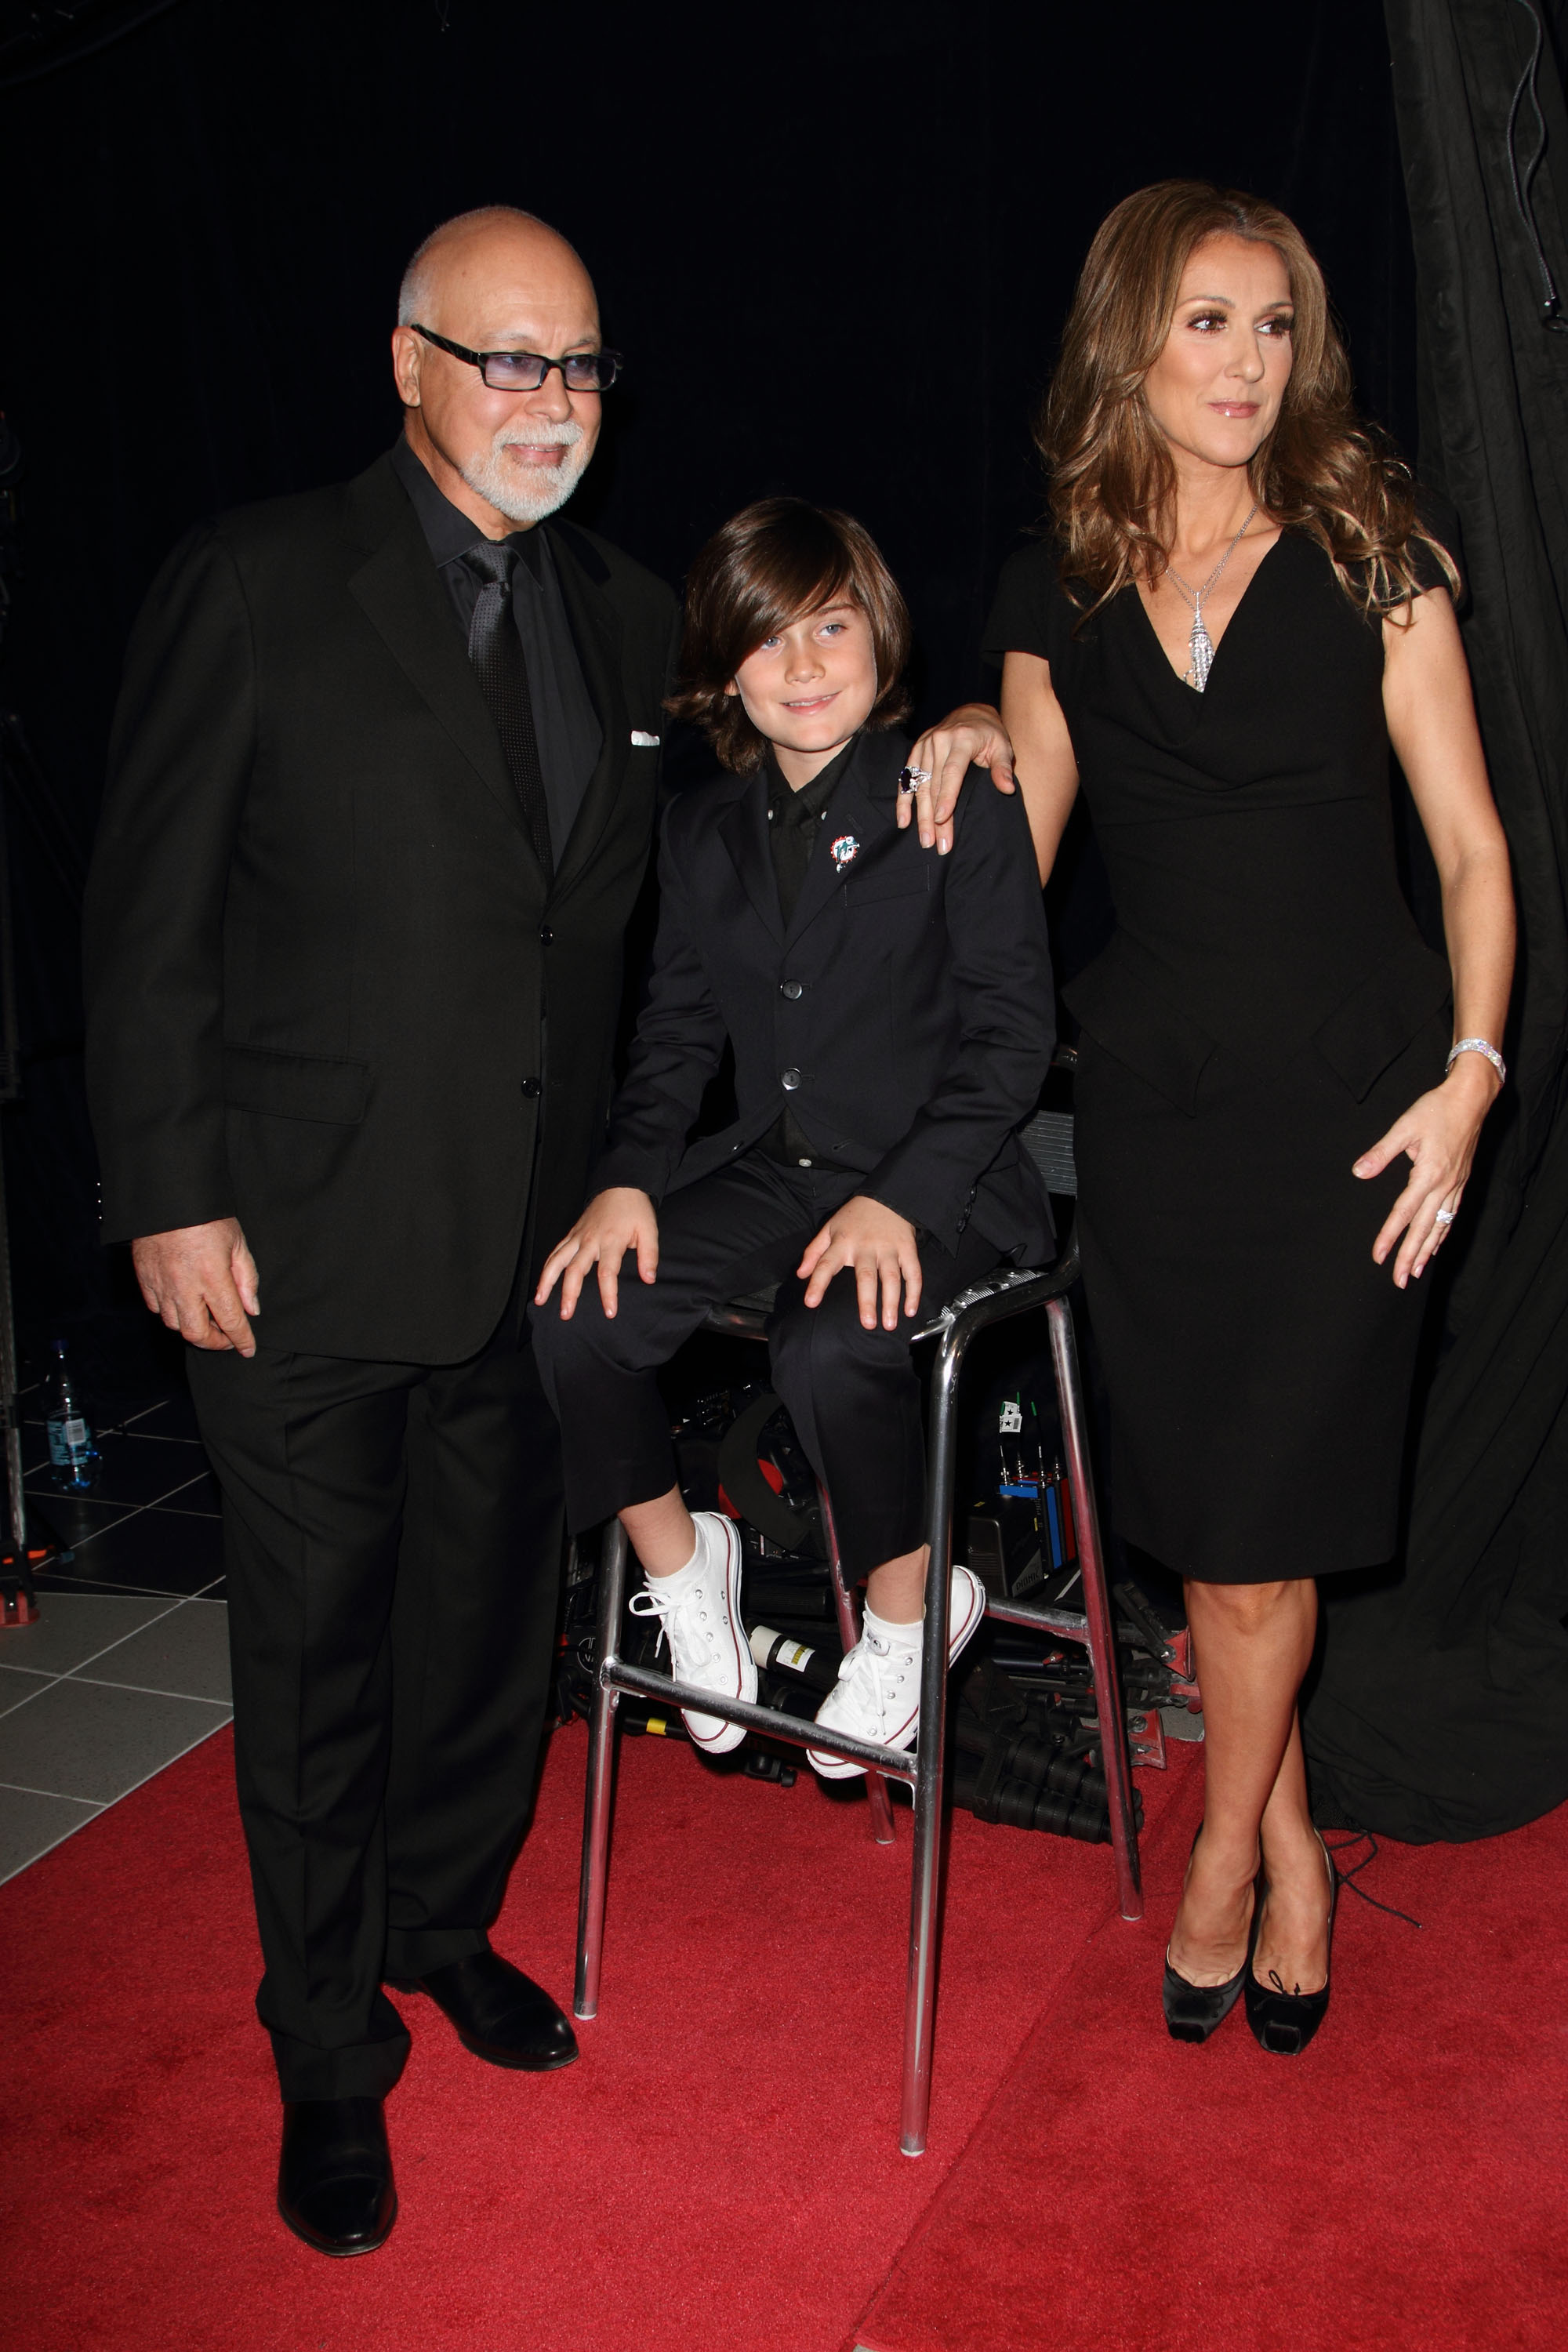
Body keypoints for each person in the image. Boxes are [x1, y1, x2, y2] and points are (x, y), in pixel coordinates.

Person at [82, 209, 1011, 2254]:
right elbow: (141, 922)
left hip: (540, 1249)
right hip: (298, 1240)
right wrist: (165, 1188)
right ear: (403, 364)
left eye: (580, 367)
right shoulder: (250, 582)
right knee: (321, 1656)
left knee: (492, 1631)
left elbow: (778, 775)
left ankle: (438, 1928)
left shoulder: (617, 607)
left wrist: (957, 730)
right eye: (506, 361)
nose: (549, 403)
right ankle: (329, 2051)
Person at [933, 181, 1512, 2054]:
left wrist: (1471, 1083)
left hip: (1358, 1119)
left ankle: (1223, 1865)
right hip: (1161, 1124)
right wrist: (934, 743)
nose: (1248, 362)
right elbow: (1007, 871)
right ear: (1128, 337)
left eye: (1275, 326)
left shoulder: (1372, 554)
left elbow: (1475, 853)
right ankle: (1295, 1851)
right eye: (1206, 321)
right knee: (1200, 1535)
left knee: (1262, 1542)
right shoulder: (1058, 587)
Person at [532, 497, 1054, 1773]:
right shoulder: (701, 826)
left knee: (831, 1342)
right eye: (770, 641)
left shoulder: (953, 792)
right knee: (577, 1308)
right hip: (780, 1172)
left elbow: (1010, 1043)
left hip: (950, 1183)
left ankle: (907, 1609)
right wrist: (625, 1181)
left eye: (831, 628)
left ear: (879, 637)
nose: (807, 667)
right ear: (725, 669)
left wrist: (903, 1199)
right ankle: (684, 1566)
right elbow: (674, 1038)